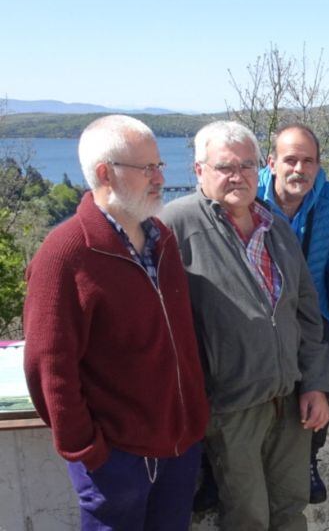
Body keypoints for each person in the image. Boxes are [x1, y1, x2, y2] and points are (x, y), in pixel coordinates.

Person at [22, 115, 209, 530]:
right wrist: (90, 453)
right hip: (116, 459)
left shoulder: (162, 237)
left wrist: (194, 422)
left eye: (159, 166)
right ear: (105, 173)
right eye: (148, 168)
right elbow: (48, 368)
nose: (161, 177)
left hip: (178, 447)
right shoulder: (65, 254)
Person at [160, 120, 329, 530]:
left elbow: (306, 312)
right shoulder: (177, 225)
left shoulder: (272, 225)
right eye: (225, 166)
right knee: (247, 516)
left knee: (290, 509)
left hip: (289, 399)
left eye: (246, 165)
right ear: (199, 170)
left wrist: (315, 382)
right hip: (231, 403)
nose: (237, 175)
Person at [257, 123, 329, 504]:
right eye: (290, 160)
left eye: (308, 161)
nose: (299, 169)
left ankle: (308, 459)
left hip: (314, 313)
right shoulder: (251, 197)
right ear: (272, 162)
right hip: (263, 313)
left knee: (328, 365)